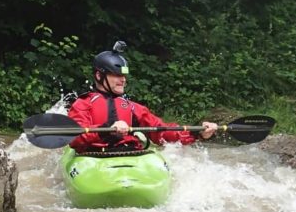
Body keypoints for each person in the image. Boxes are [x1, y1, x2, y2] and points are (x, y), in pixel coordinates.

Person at [68, 41, 218, 153]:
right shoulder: (83, 104)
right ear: (99, 75)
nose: (123, 80)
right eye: (117, 75)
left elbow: (162, 132)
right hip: (95, 157)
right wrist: (107, 129)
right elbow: (75, 138)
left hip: (131, 154)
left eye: (124, 76)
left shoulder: (133, 107)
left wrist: (197, 132)